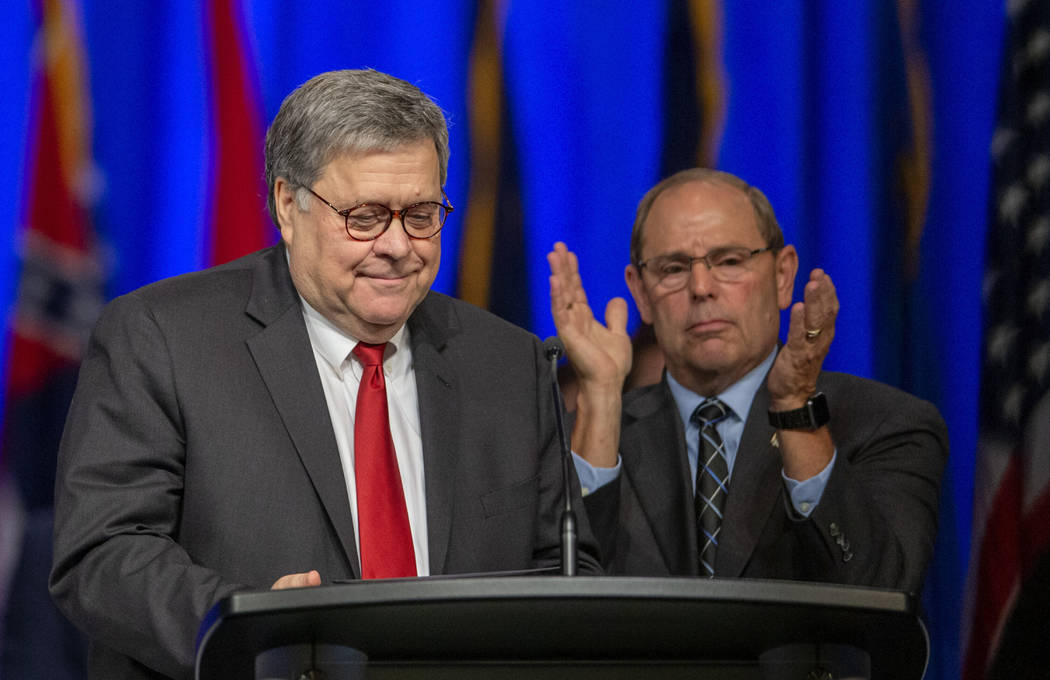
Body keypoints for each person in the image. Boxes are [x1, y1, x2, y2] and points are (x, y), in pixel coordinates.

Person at [50, 69, 600, 680]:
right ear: (289, 205)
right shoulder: (163, 337)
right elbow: (103, 552)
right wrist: (246, 627)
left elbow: (566, 572)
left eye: (421, 213)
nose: (398, 245)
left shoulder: (508, 362)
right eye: (365, 217)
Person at [548, 167, 947, 591]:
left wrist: (795, 407)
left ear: (782, 275)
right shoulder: (581, 443)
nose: (701, 287)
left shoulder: (886, 424)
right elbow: (560, 610)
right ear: (641, 292)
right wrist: (601, 400)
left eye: (730, 261)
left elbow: (881, 590)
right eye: (673, 269)